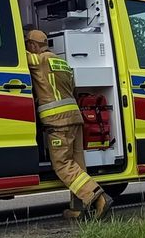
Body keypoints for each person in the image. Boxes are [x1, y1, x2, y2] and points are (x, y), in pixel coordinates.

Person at [24, 27, 113, 219]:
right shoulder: (61, 62)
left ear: (32, 45)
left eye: (28, 45)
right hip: (75, 117)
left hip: (58, 120)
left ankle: (98, 197)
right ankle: (79, 209)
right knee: (78, 165)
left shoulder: (40, 60)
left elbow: (19, 57)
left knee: (63, 164)